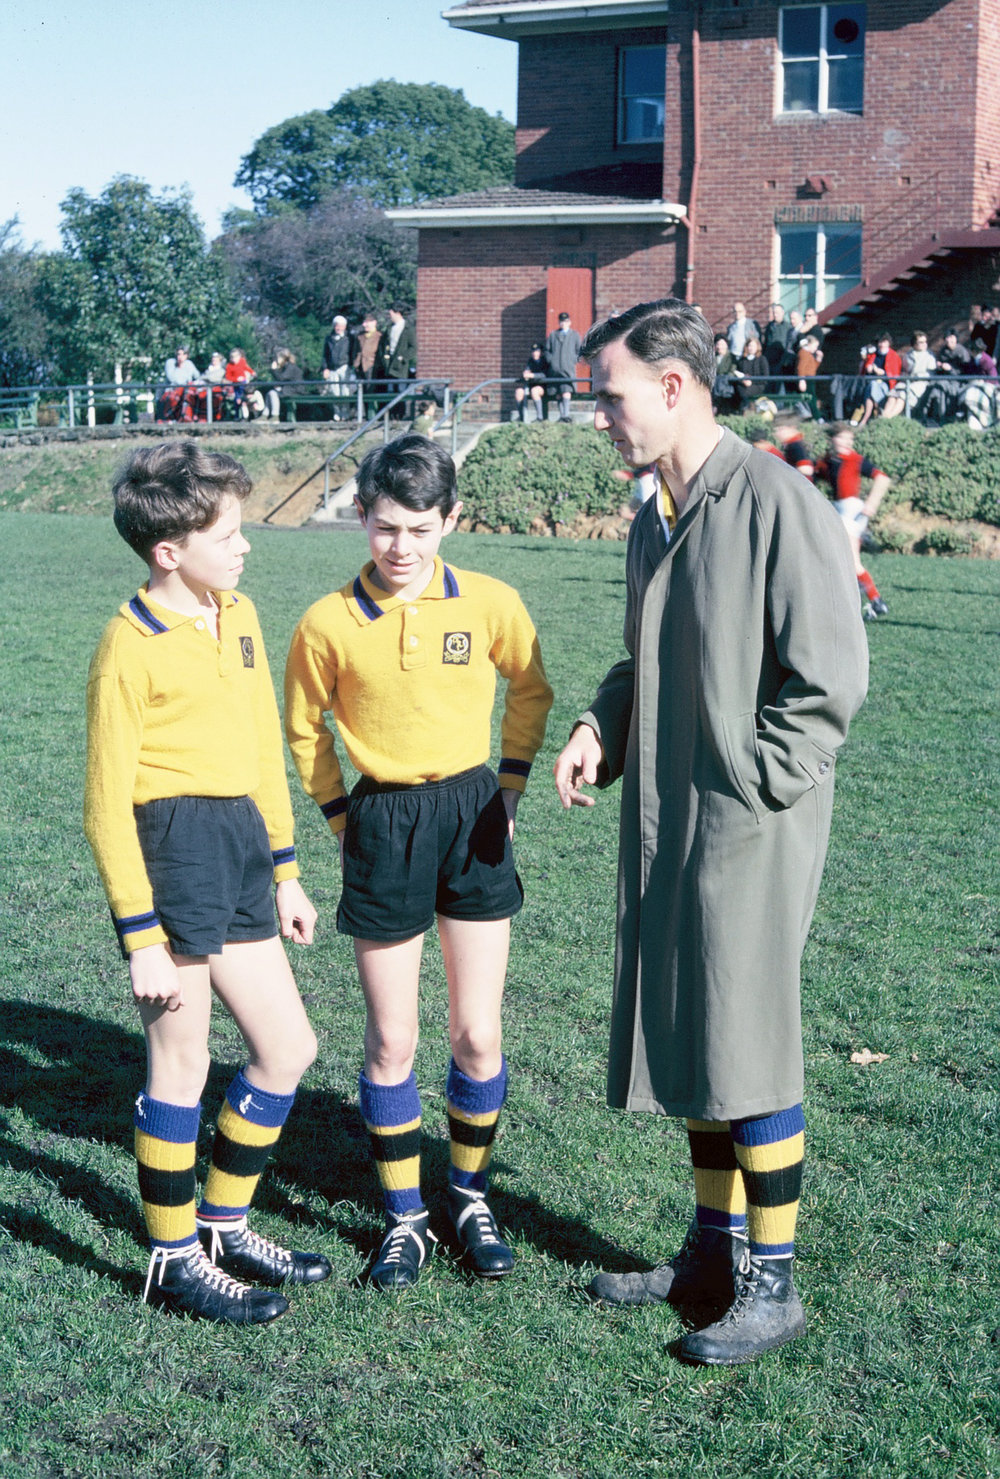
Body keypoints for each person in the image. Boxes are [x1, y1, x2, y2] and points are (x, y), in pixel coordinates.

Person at [552, 299, 868, 1366]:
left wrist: (752, 781)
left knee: (749, 1036)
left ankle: (771, 1287)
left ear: (674, 388)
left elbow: (829, 679)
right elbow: (646, 657)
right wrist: (605, 724)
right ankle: (709, 1253)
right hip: (665, 811)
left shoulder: (775, 500)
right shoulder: (657, 512)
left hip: (747, 820)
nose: (599, 416)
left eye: (610, 396)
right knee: (691, 1025)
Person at [284, 434, 553, 1293]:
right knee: (393, 1037)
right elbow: (301, 728)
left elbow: (533, 686)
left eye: (421, 529)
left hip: (471, 810)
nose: (402, 547)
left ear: (451, 522)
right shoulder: (327, 621)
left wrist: (508, 791)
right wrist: (341, 820)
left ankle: (469, 1195)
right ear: (361, 515)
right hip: (383, 818)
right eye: (386, 526)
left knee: (478, 1033)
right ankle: (406, 1218)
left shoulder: (490, 602)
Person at [83, 442, 330, 1325]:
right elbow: (105, 804)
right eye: (229, 532)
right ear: (168, 552)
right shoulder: (129, 645)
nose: (246, 545)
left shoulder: (243, 614)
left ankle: (222, 1220)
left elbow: (265, 749)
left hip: (239, 844)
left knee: (287, 1047)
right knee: (180, 1062)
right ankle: (170, 1257)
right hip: (171, 847)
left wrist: (288, 871)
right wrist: (141, 935)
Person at [815, 423, 891, 619]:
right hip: (838, 510)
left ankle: (875, 601)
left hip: (852, 511)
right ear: (833, 439)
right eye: (842, 438)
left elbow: (883, 479)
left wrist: (872, 503)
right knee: (839, 559)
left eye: (849, 439)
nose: (846, 442)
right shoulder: (827, 461)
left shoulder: (855, 460)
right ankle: (870, 601)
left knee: (850, 561)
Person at [855, 334, 904, 425]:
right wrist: (868, 368)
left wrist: (883, 373)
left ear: (888, 343)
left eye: (884, 342)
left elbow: (894, 374)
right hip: (872, 382)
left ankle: (866, 418)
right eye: (880, 342)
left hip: (886, 384)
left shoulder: (894, 356)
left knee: (872, 388)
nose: (882, 345)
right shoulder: (873, 355)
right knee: (871, 387)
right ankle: (869, 416)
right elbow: (864, 370)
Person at [544, 312, 584, 422]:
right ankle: (561, 415)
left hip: (568, 370)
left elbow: (579, 351)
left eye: (566, 321)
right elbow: (547, 351)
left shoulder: (575, 335)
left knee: (566, 391)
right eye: (561, 321)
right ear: (559, 322)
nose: (563, 323)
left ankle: (566, 415)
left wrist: (572, 360)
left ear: (569, 322)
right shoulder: (553, 335)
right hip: (555, 370)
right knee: (558, 393)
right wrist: (551, 360)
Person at [382, 305, 417, 419]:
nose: (390, 316)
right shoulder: (390, 328)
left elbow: (413, 347)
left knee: (401, 390)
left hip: (401, 367)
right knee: (390, 390)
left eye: (391, 313)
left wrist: (403, 358)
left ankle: (400, 415)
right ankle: (392, 416)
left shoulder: (408, 328)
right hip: (390, 365)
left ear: (398, 313)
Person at [353, 312, 384, 419]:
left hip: (372, 367)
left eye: (367, 322)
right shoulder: (360, 337)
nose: (364, 325)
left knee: (372, 391)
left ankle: (373, 415)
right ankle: (364, 415)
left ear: (374, 323)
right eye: (364, 322)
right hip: (360, 367)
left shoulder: (379, 336)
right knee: (362, 392)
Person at [322, 315, 354, 422]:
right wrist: (325, 368)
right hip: (332, 368)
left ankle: (345, 414)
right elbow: (325, 355)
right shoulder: (329, 338)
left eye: (341, 326)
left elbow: (352, 353)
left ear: (345, 326)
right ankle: (337, 414)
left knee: (345, 391)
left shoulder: (349, 338)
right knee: (334, 392)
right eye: (336, 326)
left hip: (344, 367)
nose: (338, 328)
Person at [511, 343, 550, 422]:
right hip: (531, 386)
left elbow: (545, 374)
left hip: (542, 387)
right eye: (533, 351)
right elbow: (527, 371)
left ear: (540, 352)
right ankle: (521, 417)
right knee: (519, 392)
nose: (535, 353)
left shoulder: (544, 361)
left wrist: (533, 375)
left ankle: (540, 418)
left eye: (537, 351)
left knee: (534, 391)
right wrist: (525, 373)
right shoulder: (530, 361)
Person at [160, 348, 201, 422]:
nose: (180, 357)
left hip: (186, 389)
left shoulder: (189, 364)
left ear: (186, 356)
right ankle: (170, 417)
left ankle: (189, 416)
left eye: (183, 354)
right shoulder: (170, 363)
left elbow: (197, 376)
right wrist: (180, 367)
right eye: (179, 354)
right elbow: (172, 378)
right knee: (173, 397)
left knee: (191, 394)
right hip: (173, 389)